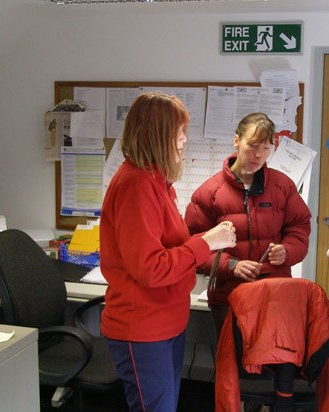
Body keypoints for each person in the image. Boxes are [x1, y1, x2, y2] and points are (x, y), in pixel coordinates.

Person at [100, 92, 236, 412]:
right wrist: (207, 243)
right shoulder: (136, 184)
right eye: (179, 130)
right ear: (158, 133)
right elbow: (151, 268)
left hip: (167, 322)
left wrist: (209, 241)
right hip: (143, 328)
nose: (184, 139)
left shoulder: (157, 181)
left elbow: (170, 245)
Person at [185, 112, 311, 338]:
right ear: (236, 141)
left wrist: (288, 251)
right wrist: (231, 265)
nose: (259, 155)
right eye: (253, 145)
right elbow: (193, 247)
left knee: (274, 363)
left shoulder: (282, 186)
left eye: (266, 148)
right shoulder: (209, 193)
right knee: (232, 363)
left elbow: (299, 229)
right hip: (228, 295)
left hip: (275, 291)